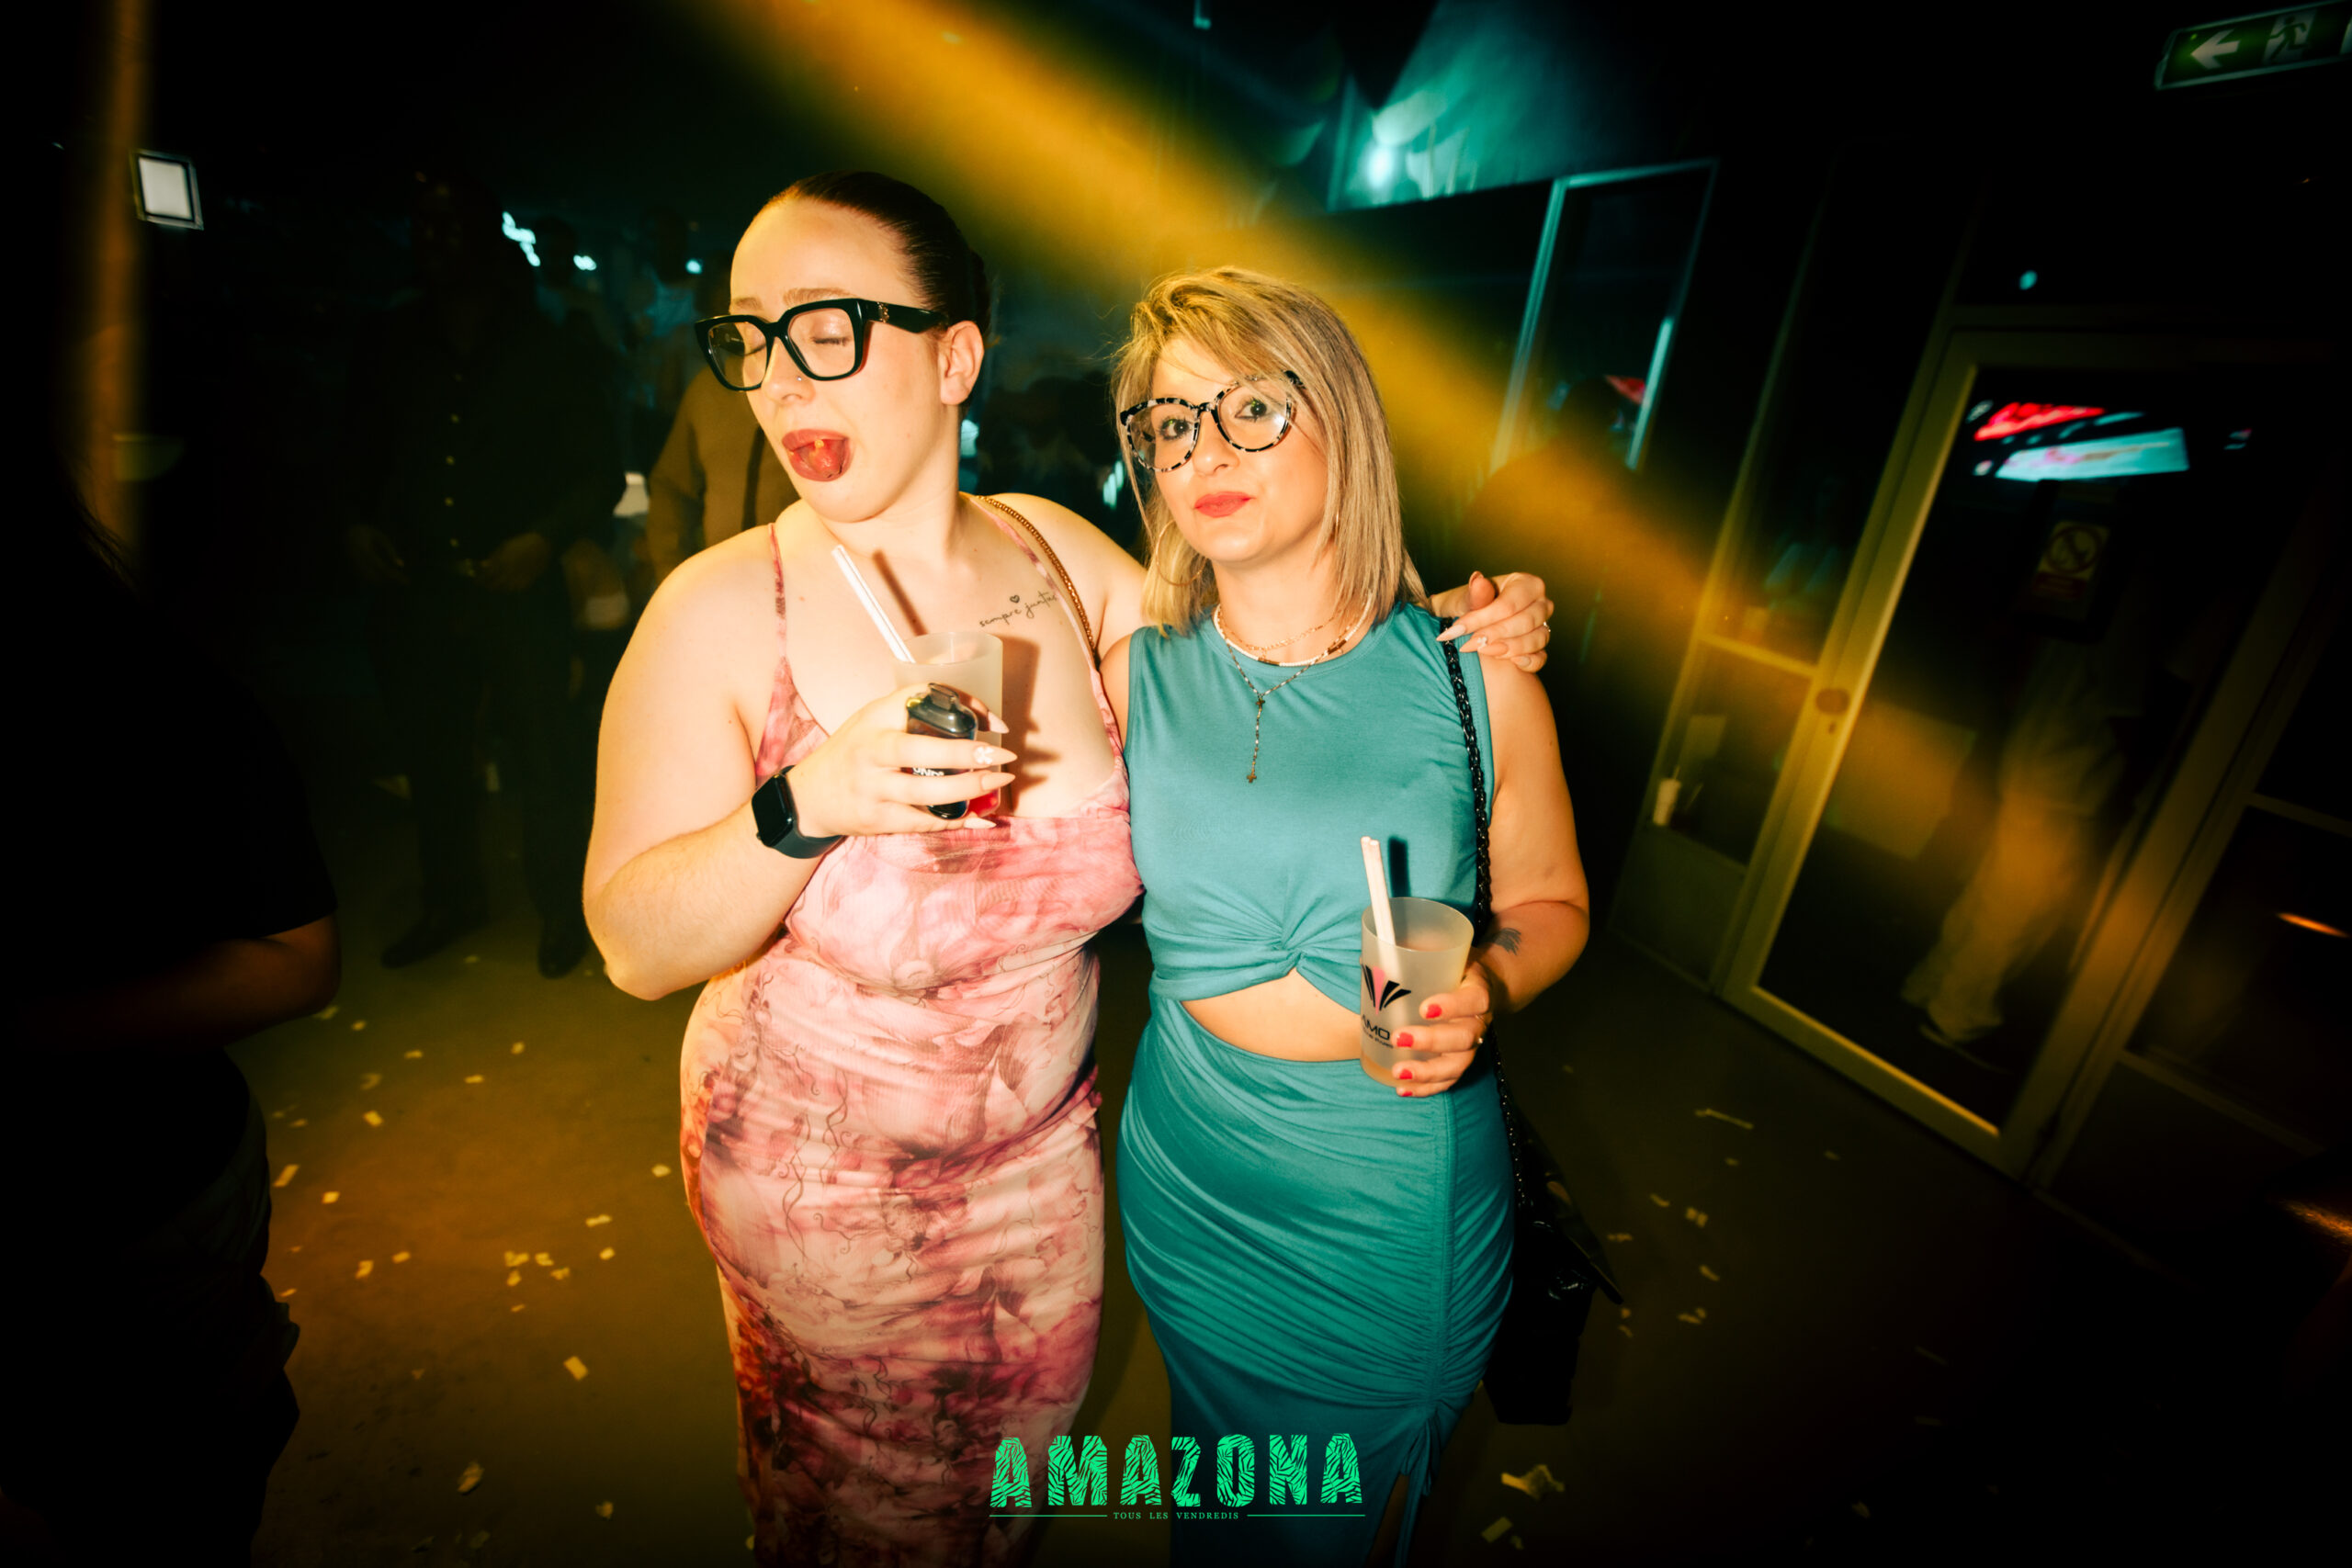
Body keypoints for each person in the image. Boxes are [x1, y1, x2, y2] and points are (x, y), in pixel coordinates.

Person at [583, 170, 1555, 1566]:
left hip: (1049, 1177)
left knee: (1019, 1498)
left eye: (828, 328)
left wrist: (1463, 624)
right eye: (751, 336)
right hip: (828, 1197)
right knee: (868, 1524)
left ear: (955, 358)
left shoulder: (1055, 555)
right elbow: (632, 945)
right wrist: (810, 799)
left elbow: (1268, 635)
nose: (782, 377)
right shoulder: (724, 608)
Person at [1100, 268, 1592, 1566]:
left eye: (1250, 409)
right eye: (1171, 422)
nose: (1204, 452)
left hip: (1375, 1215)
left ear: (1346, 422)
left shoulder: (1474, 675)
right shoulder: (1132, 671)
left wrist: (1489, 982)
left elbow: (1552, 900)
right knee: (1216, 1518)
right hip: (1186, 1178)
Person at [1, 451, 340, 1563]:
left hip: (133, 1199)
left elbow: (299, 959)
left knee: (157, 1504)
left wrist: (31, 1031)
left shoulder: (154, 695)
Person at [343, 166, 625, 977]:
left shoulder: (549, 346)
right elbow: (356, 449)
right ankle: (451, 898)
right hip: (419, 585)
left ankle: (563, 908)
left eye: (452, 225)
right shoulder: (391, 342)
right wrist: (355, 523)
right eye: (424, 227)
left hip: (518, 586)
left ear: (486, 238)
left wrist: (545, 539)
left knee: (545, 754)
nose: (436, 242)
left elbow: (600, 471)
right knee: (432, 754)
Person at [640, 269, 799, 587]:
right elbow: (673, 485)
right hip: (721, 585)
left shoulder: (812, 388)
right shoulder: (708, 390)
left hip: (807, 587)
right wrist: (671, 573)